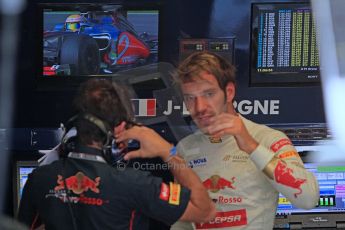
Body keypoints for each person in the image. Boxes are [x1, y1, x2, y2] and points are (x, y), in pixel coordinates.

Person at [17, 78, 216, 230]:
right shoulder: (135, 183)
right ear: (120, 128)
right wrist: (167, 150)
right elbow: (204, 210)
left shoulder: (40, 178)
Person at [171, 51, 319, 229]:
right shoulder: (184, 148)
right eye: (190, 98)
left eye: (209, 94)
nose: (200, 107)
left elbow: (309, 198)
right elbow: (183, 220)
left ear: (229, 92)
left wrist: (251, 146)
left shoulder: (268, 139)